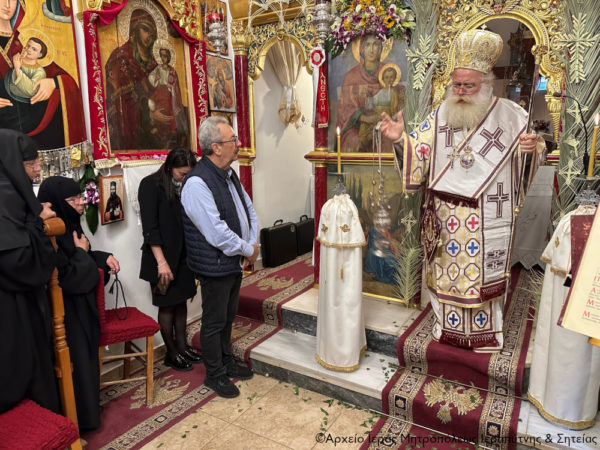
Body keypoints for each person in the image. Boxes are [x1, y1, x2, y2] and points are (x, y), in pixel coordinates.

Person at [379, 29, 538, 351]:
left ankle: (485, 333)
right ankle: (446, 328)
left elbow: (530, 156)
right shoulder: (440, 114)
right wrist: (400, 140)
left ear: (486, 84)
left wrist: (530, 149)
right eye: (457, 85)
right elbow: (420, 151)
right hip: (446, 215)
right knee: (446, 273)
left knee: (479, 278)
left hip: (485, 215)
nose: (461, 91)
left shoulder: (510, 116)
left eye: (469, 85)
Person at [181, 116, 260, 398]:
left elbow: (247, 210)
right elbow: (216, 232)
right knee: (214, 322)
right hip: (214, 265)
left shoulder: (228, 173)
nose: (238, 144)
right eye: (232, 140)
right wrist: (247, 250)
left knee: (228, 317)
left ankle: (226, 362)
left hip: (233, 260)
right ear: (215, 147)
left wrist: (251, 244)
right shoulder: (197, 183)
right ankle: (214, 374)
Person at [37, 175, 120, 430]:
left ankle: (87, 411)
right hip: (67, 314)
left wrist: (102, 257)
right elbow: (70, 278)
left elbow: (82, 255)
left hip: (81, 310)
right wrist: (84, 254)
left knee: (87, 363)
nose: (82, 203)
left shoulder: (71, 225)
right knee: (78, 365)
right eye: (74, 200)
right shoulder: (49, 236)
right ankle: (80, 420)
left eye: (80, 197)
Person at [0, 129, 59, 415]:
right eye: (31, 164)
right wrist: (37, 221)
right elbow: (19, 260)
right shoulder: (4, 195)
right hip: (11, 305)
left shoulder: (10, 188)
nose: (37, 170)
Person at [138, 148, 200, 372]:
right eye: (182, 173)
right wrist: (161, 262)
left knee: (181, 303)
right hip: (160, 258)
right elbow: (150, 228)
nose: (185, 178)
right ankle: (172, 354)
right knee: (166, 306)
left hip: (182, 255)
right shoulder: (150, 185)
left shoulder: (185, 186)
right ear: (169, 167)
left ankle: (182, 347)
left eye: (189, 174)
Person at [0, 0, 85, 149]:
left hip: (35, 131)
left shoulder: (24, 42)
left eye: (12, 0)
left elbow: (65, 79)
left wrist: (54, 83)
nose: (7, 5)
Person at [104, 8, 170, 150]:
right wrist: (149, 114)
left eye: (153, 33)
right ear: (134, 29)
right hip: (129, 127)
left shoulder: (155, 63)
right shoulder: (120, 58)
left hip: (154, 125)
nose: (149, 36)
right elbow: (120, 101)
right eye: (145, 30)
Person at [337, 34, 390, 153]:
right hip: (356, 125)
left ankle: (389, 166)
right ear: (361, 49)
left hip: (383, 123)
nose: (371, 50)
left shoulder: (389, 72)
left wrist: (382, 117)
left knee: (387, 139)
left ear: (380, 48)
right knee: (353, 140)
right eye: (367, 45)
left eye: (375, 45)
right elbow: (347, 109)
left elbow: (397, 101)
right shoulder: (351, 76)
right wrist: (365, 118)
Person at [148, 45, 188, 148]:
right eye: (161, 56)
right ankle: (158, 128)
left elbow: (176, 85)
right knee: (158, 109)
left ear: (169, 57)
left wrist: (171, 88)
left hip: (169, 95)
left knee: (169, 112)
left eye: (165, 56)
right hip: (159, 92)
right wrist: (156, 78)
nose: (163, 58)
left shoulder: (172, 71)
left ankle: (170, 133)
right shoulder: (158, 68)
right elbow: (151, 78)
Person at [6, 37, 48, 101]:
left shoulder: (40, 72)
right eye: (28, 46)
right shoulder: (17, 60)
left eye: (34, 49)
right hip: (7, 95)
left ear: (40, 55)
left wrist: (17, 69)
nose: (29, 50)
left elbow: (31, 90)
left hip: (23, 103)